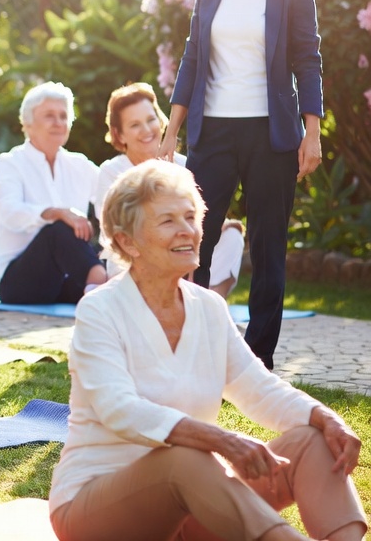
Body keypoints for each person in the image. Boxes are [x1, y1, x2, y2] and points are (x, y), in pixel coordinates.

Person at [49, 160, 365, 541]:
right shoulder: (100, 310)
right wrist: (223, 442)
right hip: (96, 512)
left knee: (313, 436)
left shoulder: (210, 308)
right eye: (167, 221)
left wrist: (325, 417)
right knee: (182, 456)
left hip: (196, 504)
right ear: (128, 241)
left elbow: (258, 387)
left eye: (190, 216)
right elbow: (120, 410)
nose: (187, 230)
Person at [159, 0, 324, 369]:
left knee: (268, 245)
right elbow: (191, 58)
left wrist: (311, 132)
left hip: (271, 135)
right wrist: (173, 130)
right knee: (195, 241)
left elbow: (308, 61)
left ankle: (259, 361)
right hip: (214, 133)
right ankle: (194, 349)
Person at [95, 82, 243, 296]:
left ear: (161, 120)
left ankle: (209, 304)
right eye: (135, 125)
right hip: (134, 255)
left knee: (231, 234)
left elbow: (200, 216)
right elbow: (115, 230)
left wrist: (214, 224)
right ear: (119, 134)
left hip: (180, 247)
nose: (146, 130)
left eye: (150, 119)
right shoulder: (111, 172)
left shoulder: (184, 165)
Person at [0, 82, 107, 304]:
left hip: (65, 280)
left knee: (117, 255)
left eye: (63, 116)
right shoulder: (9, 163)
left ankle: (101, 287)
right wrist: (57, 213)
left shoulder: (80, 165)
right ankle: (102, 290)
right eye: (49, 115)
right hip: (17, 283)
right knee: (58, 229)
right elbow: (9, 213)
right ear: (28, 124)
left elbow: (111, 203)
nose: (59, 122)